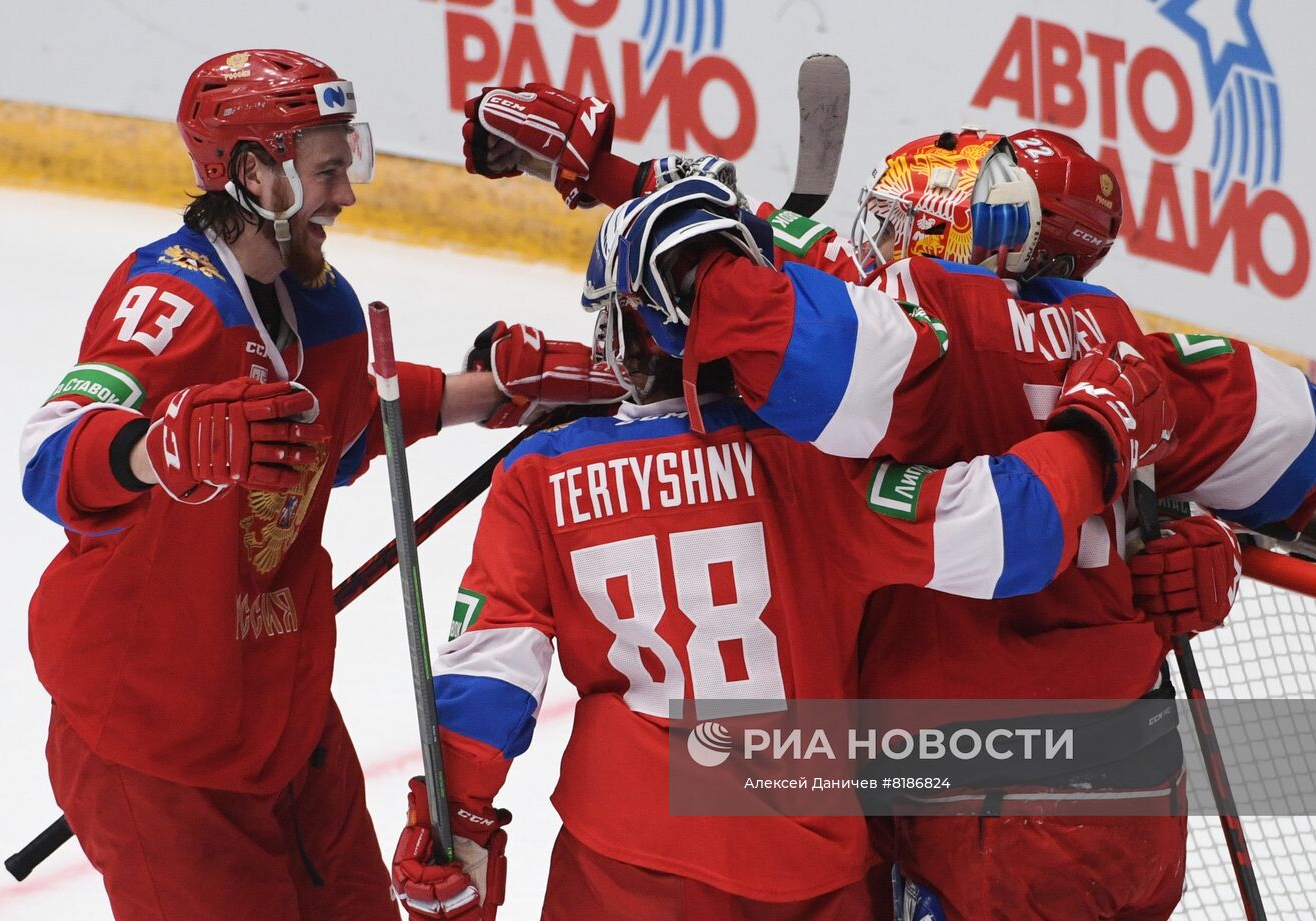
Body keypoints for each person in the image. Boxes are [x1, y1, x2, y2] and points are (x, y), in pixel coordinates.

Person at [456, 88, 1316, 917]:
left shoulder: (920, 323)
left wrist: (667, 249)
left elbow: (795, 331)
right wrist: (1184, 527)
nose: (873, 240)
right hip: (1137, 784)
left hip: (977, 802)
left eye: (896, 222)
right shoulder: (1129, 339)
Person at [386, 186, 1178, 920]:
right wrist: (1096, 434)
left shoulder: (543, 473)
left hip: (623, 856)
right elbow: (1012, 528)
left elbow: (491, 669)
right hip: (806, 868)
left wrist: (454, 821)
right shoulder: (821, 468)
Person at [17, 50, 625, 921]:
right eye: (328, 167)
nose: (348, 191)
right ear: (255, 174)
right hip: (160, 749)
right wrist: (162, 448)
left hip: (288, 726)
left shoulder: (323, 303)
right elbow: (51, 450)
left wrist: (497, 391)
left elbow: (347, 415)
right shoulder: (172, 299)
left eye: (350, 160)